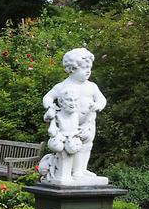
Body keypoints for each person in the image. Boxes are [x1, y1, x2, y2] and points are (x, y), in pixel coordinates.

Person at [41, 47, 106, 180]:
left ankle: (81, 170)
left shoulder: (91, 86)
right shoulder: (63, 86)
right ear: (72, 69)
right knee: (71, 147)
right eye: (84, 68)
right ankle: (71, 172)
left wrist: (98, 105)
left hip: (88, 122)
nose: (88, 71)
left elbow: (102, 99)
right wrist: (50, 107)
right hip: (68, 123)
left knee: (86, 146)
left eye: (90, 68)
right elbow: (47, 97)